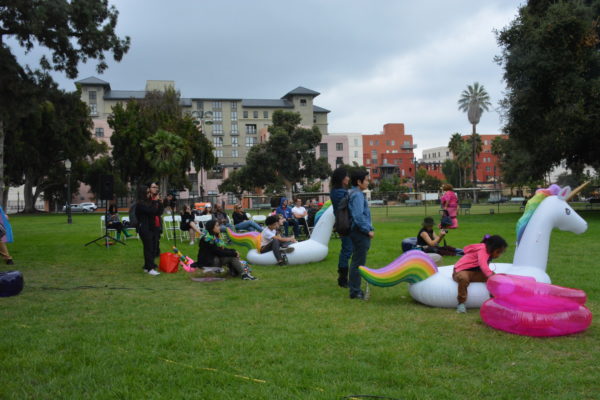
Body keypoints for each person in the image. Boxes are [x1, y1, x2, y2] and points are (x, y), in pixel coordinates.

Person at [453, 235, 508, 313]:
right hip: (461, 271)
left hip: (475, 273)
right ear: (492, 248)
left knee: (495, 278)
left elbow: (483, 268)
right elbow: (483, 264)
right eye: (498, 252)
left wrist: (493, 277)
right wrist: (490, 276)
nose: (499, 255)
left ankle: (496, 301)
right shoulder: (483, 249)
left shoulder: (489, 252)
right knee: (464, 278)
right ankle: (461, 303)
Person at [348, 170, 374, 300]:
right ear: (359, 182)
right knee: (358, 262)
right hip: (359, 233)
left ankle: (354, 288)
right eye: (366, 179)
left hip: (356, 232)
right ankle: (355, 291)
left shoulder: (353, 193)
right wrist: (367, 230)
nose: (368, 182)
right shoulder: (357, 195)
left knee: (356, 261)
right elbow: (358, 216)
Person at [330, 167, 352, 288]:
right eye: (346, 176)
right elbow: (348, 205)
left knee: (347, 249)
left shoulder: (339, 190)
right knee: (347, 250)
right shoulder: (339, 192)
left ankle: (344, 277)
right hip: (345, 224)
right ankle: (343, 278)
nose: (348, 178)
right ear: (342, 178)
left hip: (344, 224)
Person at [135, 182, 164, 276]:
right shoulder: (140, 204)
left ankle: (148, 267)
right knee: (149, 248)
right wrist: (155, 201)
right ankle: (150, 268)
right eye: (147, 192)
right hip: (144, 228)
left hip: (152, 227)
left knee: (152, 248)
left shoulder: (149, 202)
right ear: (143, 193)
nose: (149, 194)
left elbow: (157, 212)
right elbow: (150, 211)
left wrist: (159, 203)